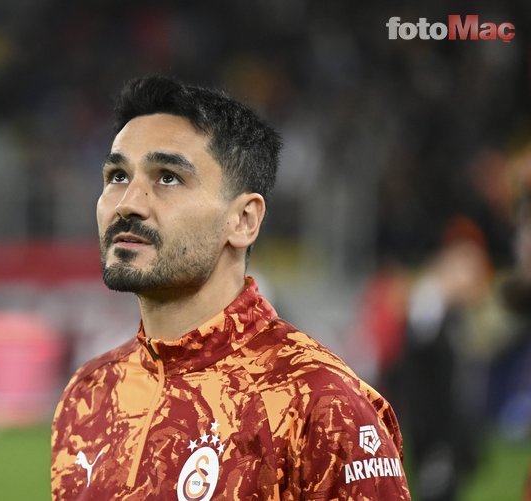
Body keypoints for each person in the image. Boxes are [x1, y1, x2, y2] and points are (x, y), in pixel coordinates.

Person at [51, 75, 411, 500]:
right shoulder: (89, 396)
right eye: (117, 176)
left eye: (167, 178)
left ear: (243, 220)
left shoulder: (322, 404)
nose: (128, 202)